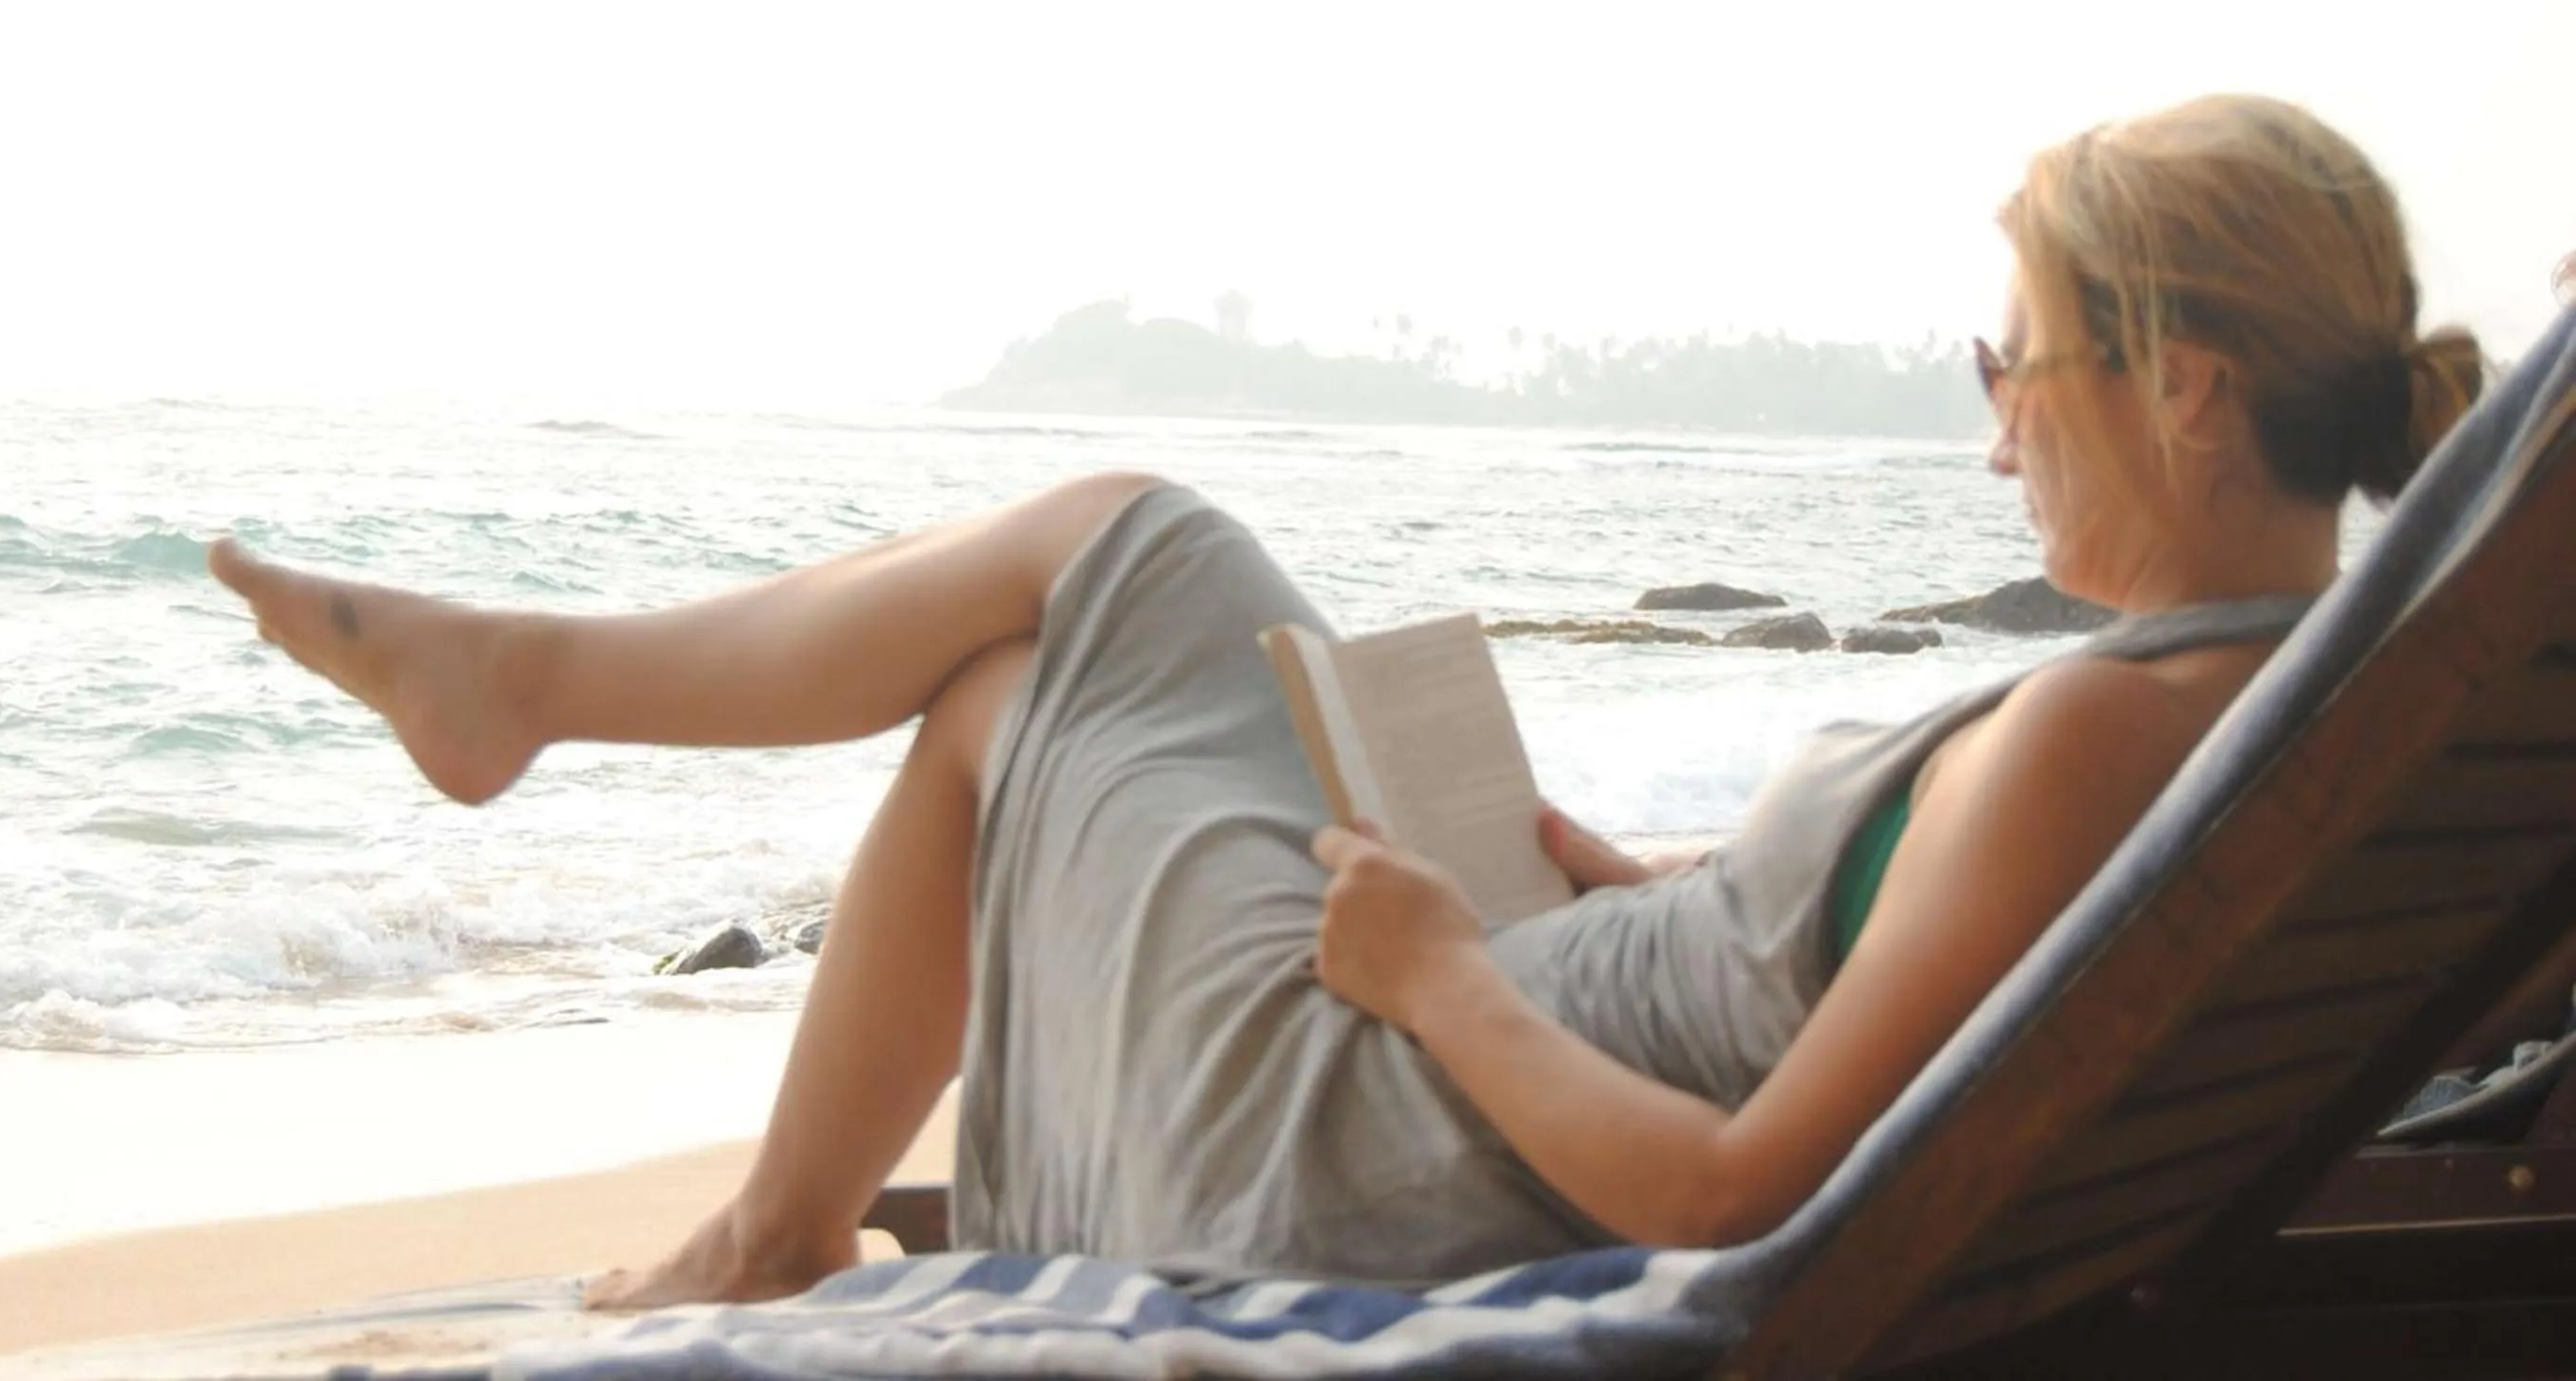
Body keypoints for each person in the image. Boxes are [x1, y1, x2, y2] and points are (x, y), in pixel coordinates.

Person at [210, 93, 2482, 1307]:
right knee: (1043, 633)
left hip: (1380, 1132)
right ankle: (715, 1090)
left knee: (1103, 564)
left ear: (2188, 390)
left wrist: (1440, 971)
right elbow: (1885, 999)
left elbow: (1738, 1195)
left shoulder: (2101, 734)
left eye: (2021, 363)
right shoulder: (2255, 710)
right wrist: (1668, 894)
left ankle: (545, 722)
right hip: (1486, 1044)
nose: (1996, 432)